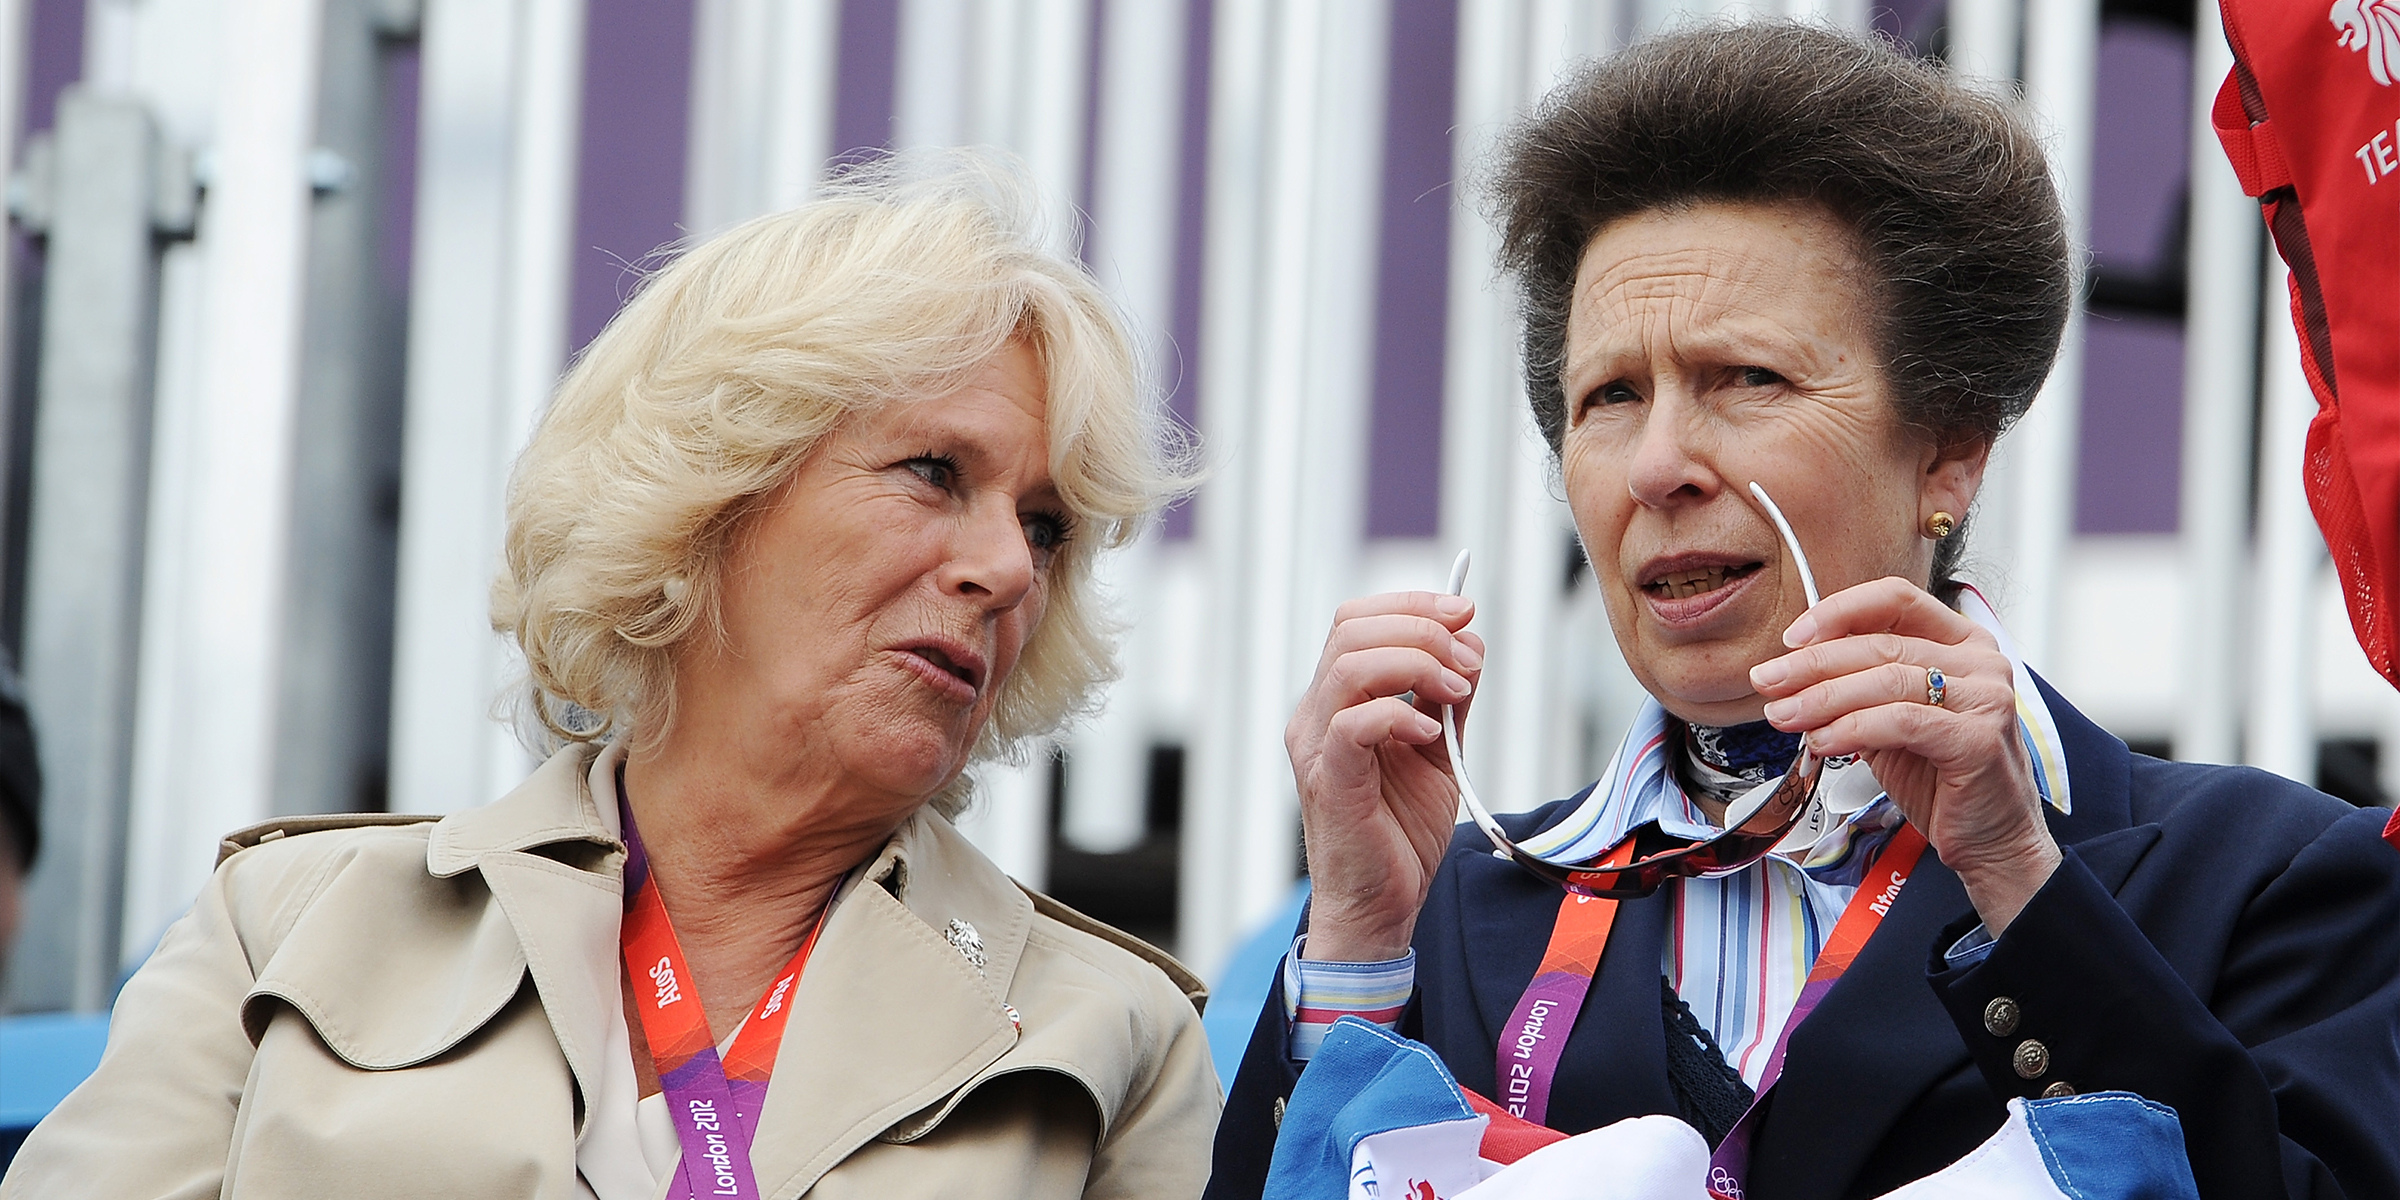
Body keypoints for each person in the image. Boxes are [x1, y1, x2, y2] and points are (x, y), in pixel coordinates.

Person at [1208, 24, 2400, 1200]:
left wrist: (2017, 880)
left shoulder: (2270, 881)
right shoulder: (1451, 920)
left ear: (1950, 453)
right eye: (1610, 397)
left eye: (1748, 379)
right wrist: (1359, 943)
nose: (1659, 465)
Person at [1, 156, 1219, 1200]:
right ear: (713, 501)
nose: (1009, 565)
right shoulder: (286, 923)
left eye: (1048, 527)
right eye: (933, 472)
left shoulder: (1113, 1032)